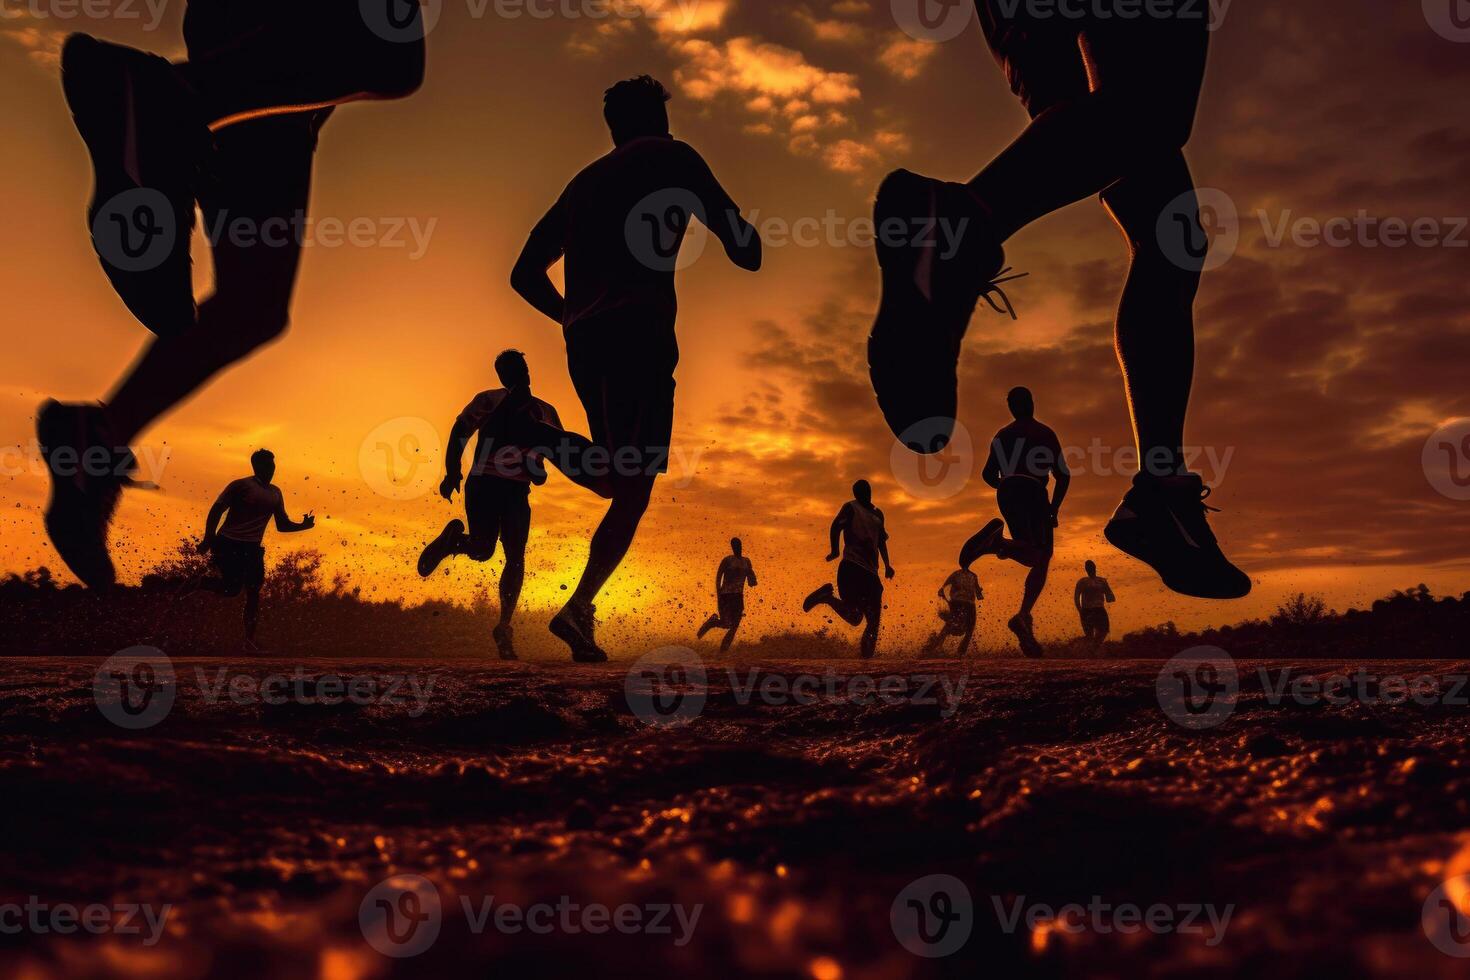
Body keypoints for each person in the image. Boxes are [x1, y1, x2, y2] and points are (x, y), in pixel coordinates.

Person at [866, 0, 1249, 601]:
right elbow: (1044, 471)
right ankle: (962, 224)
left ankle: (1161, 492)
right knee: (1152, 113)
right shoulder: (1036, 433)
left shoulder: (1025, 435)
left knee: (1167, 233)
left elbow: (1005, 470)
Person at [37, 4, 426, 589]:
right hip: (275, 41)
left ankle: (98, 445)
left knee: (253, 305)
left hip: (271, 72)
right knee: (391, 58)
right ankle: (175, 98)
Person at [510, 75, 761, 662]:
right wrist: (741, 233)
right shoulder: (674, 157)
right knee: (635, 484)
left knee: (617, 478)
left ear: (614, 126)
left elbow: (523, 272)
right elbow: (743, 248)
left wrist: (571, 314)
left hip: (585, 341)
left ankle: (547, 448)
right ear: (659, 120)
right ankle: (576, 606)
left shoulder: (583, 183)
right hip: (640, 333)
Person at [418, 350, 563, 661]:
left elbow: (558, 453)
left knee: (516, 556)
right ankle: (454, 541)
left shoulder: (546, 411)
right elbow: (460, 431)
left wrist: (540, 470)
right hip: (485, 482)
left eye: (518, 369)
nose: (515, 376)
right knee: (483, 550)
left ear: (527, 370)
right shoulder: (489, 401)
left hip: (517, 491)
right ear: (501, 377)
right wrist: (452, 470)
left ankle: (504, 626)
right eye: (507, 372)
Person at [960, 387, 1068, 658]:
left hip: (1007, 490)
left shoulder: (1002, 435)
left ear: (1011, 408)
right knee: (1042, 556)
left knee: (1031, 553)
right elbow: (1063, 476)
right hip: (1033, 489)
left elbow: (987, 474)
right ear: (1031, 403)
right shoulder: (1044, 433)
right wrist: (1053, 508)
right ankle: (1021, 610)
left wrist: (1007, 486)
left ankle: (1001, 549)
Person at [193, 449, 315, 650]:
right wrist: (209, 537)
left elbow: (282, 525)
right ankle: (194, 584)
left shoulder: (275, 493)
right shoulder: (241, 485)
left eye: (273, 465)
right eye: (267, 465)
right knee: (231, 590)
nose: (271, 469)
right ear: (257, 466)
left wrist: (304, 526)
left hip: (252, 548)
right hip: (228, 542)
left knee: (253, 592)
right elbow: (217, 509)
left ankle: (249, 641)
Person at [802, 480, 895, 660]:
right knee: (856, 617)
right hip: (852, 568)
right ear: (856, 494)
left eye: (866, 491)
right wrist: (835, 550)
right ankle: (827, 598)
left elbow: (881, 541)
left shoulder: (878, 514)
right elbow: (836, 526)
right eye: (860, 492)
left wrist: (887, 564)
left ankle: (865, 664)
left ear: (870, 492)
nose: (864, 494)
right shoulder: (851, 507)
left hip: (871, 573)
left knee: (870, 622)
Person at [696, 537, 758, 652]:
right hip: (726, 594)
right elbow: (718, 576)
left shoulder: (746, 561)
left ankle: (723, 652)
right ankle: (712, 622)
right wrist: (718, 593)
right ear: (732, 547)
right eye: (734, 545)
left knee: (734, 626)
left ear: (741, 545)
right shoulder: (727, 560)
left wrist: (752, 578)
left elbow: (751, 581)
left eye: (738, 545)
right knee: (726, 623)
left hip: (738, 596)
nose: (736, 547)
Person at [923, 566, 982, 658]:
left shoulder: (956, 574)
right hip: (969, 604)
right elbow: (979, 595)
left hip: (956, 603)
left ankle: (931, 649)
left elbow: (942, 590)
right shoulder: (973, 575)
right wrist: (979, 592)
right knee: (970, 629)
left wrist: (947, 599)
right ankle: (961, 654)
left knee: (949, 626)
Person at [1074, 560, 1116, 651]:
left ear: (1095, 567)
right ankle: (1087, 650)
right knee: (1089, 634)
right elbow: (1076, 597)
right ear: (1086, 569)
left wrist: (1110, 597)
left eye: (1090, 567)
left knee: (1104, 631)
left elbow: (1110, 595)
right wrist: (1080, 610)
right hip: (1086, 610)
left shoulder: (1102, 580)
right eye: (1087, 567)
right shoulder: (1082, 581)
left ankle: (1093, 648)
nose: (1089, 569)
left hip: (1099, 609)